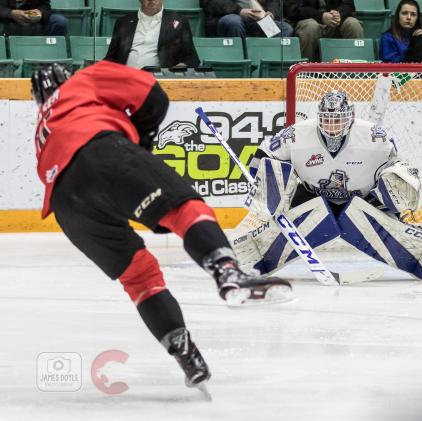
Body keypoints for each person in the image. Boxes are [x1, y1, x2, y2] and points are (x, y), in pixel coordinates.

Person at [30, 62, 293, 389]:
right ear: (65, 78)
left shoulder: (41, 128)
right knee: (185, 209)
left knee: (139, 277)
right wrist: (142, 143)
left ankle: (185, 353)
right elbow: (152, 94)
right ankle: (227, 271)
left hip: (65, 206)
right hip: (102, 152)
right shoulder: (83, 80)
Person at [231, 90, 422, 282]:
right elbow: (264, 154)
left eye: (337, 120)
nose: (332, 126)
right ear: (319, 118)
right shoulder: (297, 134)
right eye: (327, 120)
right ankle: (258, 253)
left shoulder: (375, 136)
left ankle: (416, 249)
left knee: (399, 179)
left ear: (350, 118)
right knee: (274, 168)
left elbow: (398, 171)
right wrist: (258, 176)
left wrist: (398, 200)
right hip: (312, 197)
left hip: (363, 200)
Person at [105, 0, 199, 70]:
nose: (152, 1)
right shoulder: (123, 22)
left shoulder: (179, 22)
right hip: (126, 79)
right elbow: (111, 57)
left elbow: (192, 58)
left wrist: (180, 68)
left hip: (159, 83)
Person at [285, 0, 364, 62]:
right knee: (310, 27)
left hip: (334, 21)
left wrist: (338, 14)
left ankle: (355, 74)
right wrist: (320, 16)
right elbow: (292, 10)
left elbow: (348, 4)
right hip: (307, 19)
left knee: (353, 24)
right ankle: (304, 74)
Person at [200, 0, 293, 39]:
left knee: (284, 29)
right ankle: (239, 62)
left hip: (257, 20)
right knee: (234, 22)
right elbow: (211, 3)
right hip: (228, 16)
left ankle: (265, 64)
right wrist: (239, 11)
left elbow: (273, 2)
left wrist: (270, 12)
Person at [0, 0, 67, 36]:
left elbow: (45, 6)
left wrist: (40, 13)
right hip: (5, 20)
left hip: (32, 20)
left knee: (59, 22)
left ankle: (53, 57)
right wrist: (10, 13)